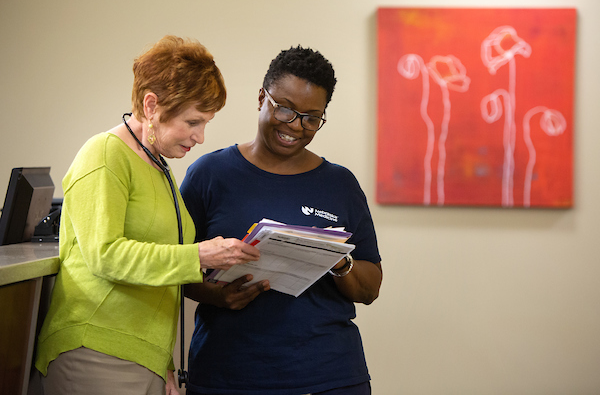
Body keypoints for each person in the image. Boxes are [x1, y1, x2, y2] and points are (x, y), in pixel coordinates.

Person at [34, 35, 260, 395]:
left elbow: (157, 278)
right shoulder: (105, 155)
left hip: (143, 358)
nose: (200, 137)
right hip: (96, 350)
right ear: (151, 104)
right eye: (192, 122)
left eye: (205, 123)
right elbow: (105, 256)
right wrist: (199, 255)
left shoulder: (157, 166)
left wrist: (163, 363)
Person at [180, 46, 382, 395]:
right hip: (227, 375)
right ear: (262, 98)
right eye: (285, 109)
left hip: (328, 376)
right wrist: (218, 296)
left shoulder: (340, 184)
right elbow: (172, 271)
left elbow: (370, 289)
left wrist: (338, 262)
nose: (296, 126)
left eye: (311, 117)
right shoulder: (209, 175)